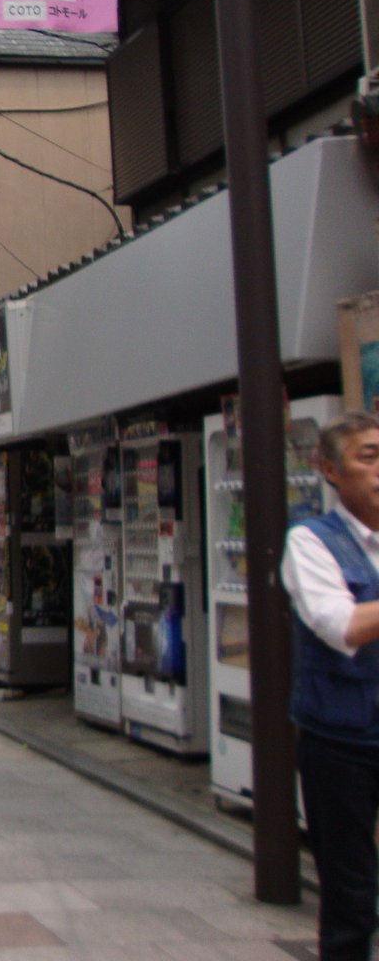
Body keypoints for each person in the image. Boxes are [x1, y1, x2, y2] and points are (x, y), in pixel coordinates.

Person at [283, 410, 379, 961]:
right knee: (351, 897)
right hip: (340, 742)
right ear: (329, 470)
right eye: (367, 457)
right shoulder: (311, 542)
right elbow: (341, 626)